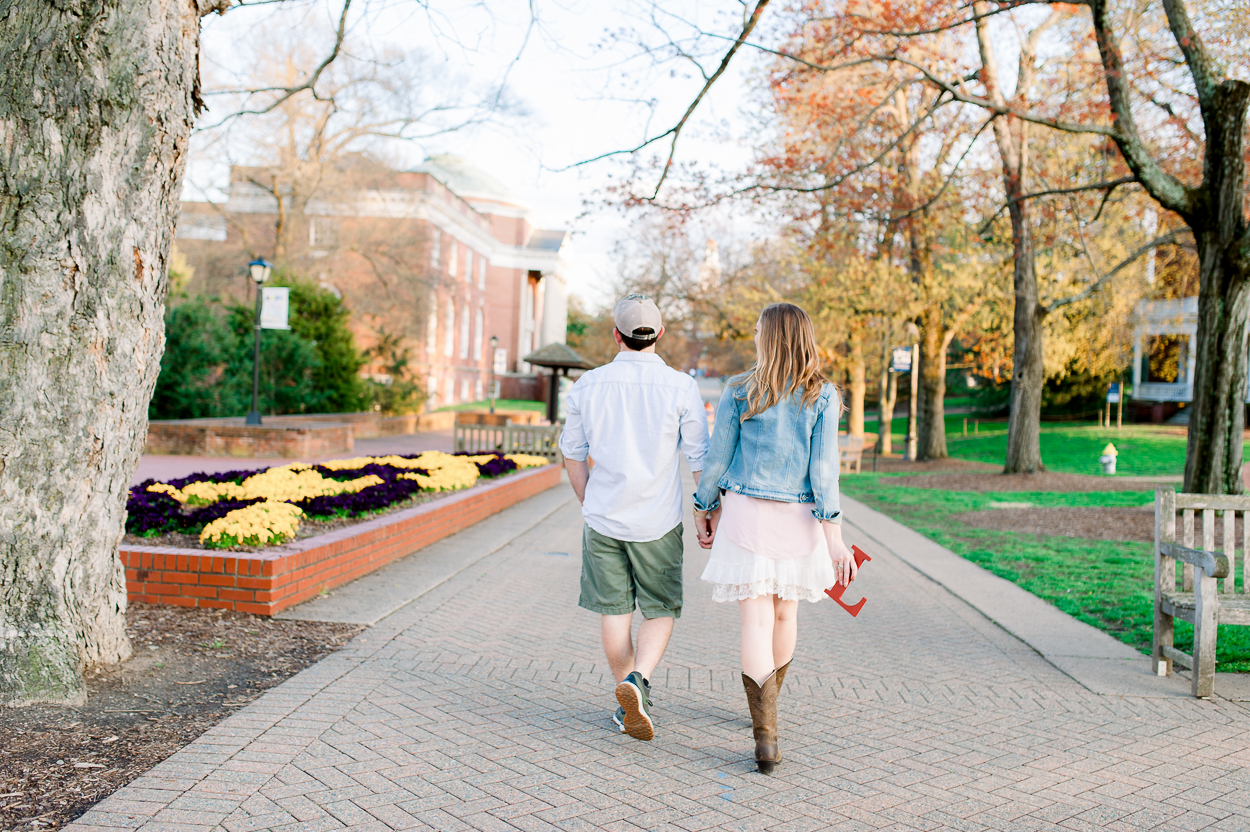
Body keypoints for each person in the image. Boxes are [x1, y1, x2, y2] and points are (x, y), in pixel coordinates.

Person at [692, 302, 857, 774]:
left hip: (747, 514)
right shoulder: (822, 396)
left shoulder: (740, 390)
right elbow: (825, 473)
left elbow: (717, 458)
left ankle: (765, 732)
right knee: (786, 614)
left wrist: (705, 506)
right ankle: (767, 718)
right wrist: (835, 534)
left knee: (755, 622)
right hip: (799, 518)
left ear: (766, 338)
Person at [559, 293, 709, 741]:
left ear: (616, 335)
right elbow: (699, 457)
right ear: (659, 335)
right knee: (660, 608)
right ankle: (638, 679)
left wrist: (590, 502)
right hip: (658, 522)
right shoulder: (681, 386)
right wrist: (705, 511)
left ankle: (626, 700)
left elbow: (572, 455)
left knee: (614, 612)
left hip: (604, 519)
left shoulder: (588, 385)